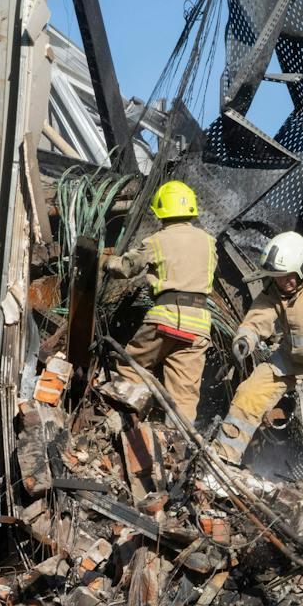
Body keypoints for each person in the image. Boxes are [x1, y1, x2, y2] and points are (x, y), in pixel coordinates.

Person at [212, 231, 303, 497]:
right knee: (249, 394)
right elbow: (257, 318)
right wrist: (246, 339)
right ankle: (222, 459)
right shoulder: (274, 291)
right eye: (278, 277)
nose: (283, 282)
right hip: (290, 359)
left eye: (288, 276)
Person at [105, 180, 216, 425]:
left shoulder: (159, 240)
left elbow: (127, 267)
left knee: (132, 364)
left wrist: (108, 262)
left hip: (167, 317)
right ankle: (178, 441)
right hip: (199, 326)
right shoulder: (209, 242)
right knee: (184, 395)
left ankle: (125, 423)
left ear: (161, 211)